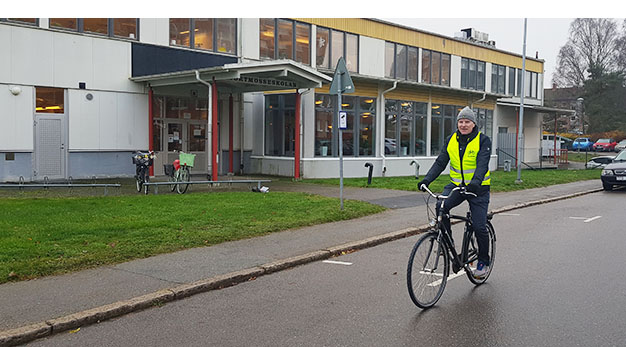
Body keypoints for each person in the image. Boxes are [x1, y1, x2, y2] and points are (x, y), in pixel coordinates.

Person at [417, 106, 491, 278]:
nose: (463, 125)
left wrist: (475, 182)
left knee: (480, 227)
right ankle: (446, 243)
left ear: (473, 124)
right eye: (461, 121)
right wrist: (427, 180)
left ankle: (483, 261)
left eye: (467, 122)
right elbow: (440, 162)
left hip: (477, 190)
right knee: (441, 206)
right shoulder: (451, 140)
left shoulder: (483, 140)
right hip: (457, 186)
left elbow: (482, 164)